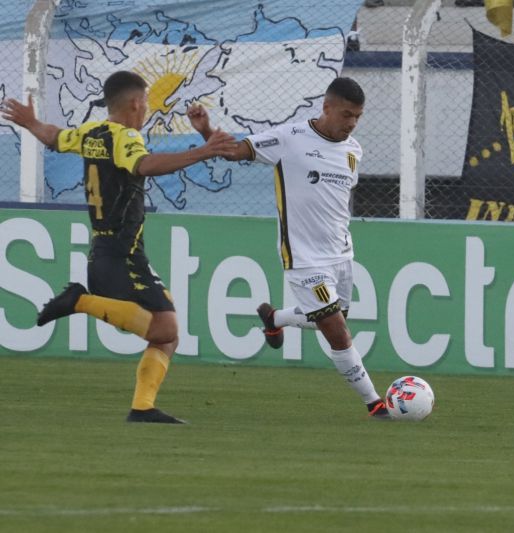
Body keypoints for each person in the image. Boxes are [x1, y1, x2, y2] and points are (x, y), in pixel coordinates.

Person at [0, 71, 236, 424]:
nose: (146, 113)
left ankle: (143, 407)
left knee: (167, 334)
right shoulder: (125, 136)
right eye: (146, 106)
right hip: (120, 255)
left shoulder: (91, 133)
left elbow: (54, 138)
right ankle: (80, 300)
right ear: (136, 104)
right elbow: (145, 165)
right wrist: (202, 151)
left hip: (114, 253)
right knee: (166, 331)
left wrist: (32, 122)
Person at [187, 77, 390, 419]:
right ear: (326, 108)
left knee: (330, 319)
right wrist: (206, 131)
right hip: (303, 258)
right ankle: (375, 403)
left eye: (358, 116)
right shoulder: (290, 139)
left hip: (341, 256)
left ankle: (274, 317)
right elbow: (237, 151)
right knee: (337, 332)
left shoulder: (353, 150)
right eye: (346, 114)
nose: (352, 123)